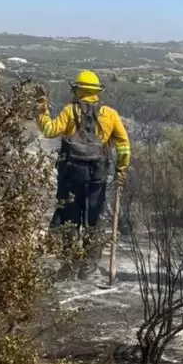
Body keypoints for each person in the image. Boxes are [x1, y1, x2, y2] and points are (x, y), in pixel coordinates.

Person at [36, 71, 130, 269]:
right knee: (93, 217)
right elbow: (123, 145)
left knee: (69, 217)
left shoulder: (70, 111)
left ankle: (68, 262)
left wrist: (42, 110)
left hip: (70, 174)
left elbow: (49, 130)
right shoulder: (110, 114)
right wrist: (121, 169)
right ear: (96, 92)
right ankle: (89, 264)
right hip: (97, 175)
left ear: (78, 90)